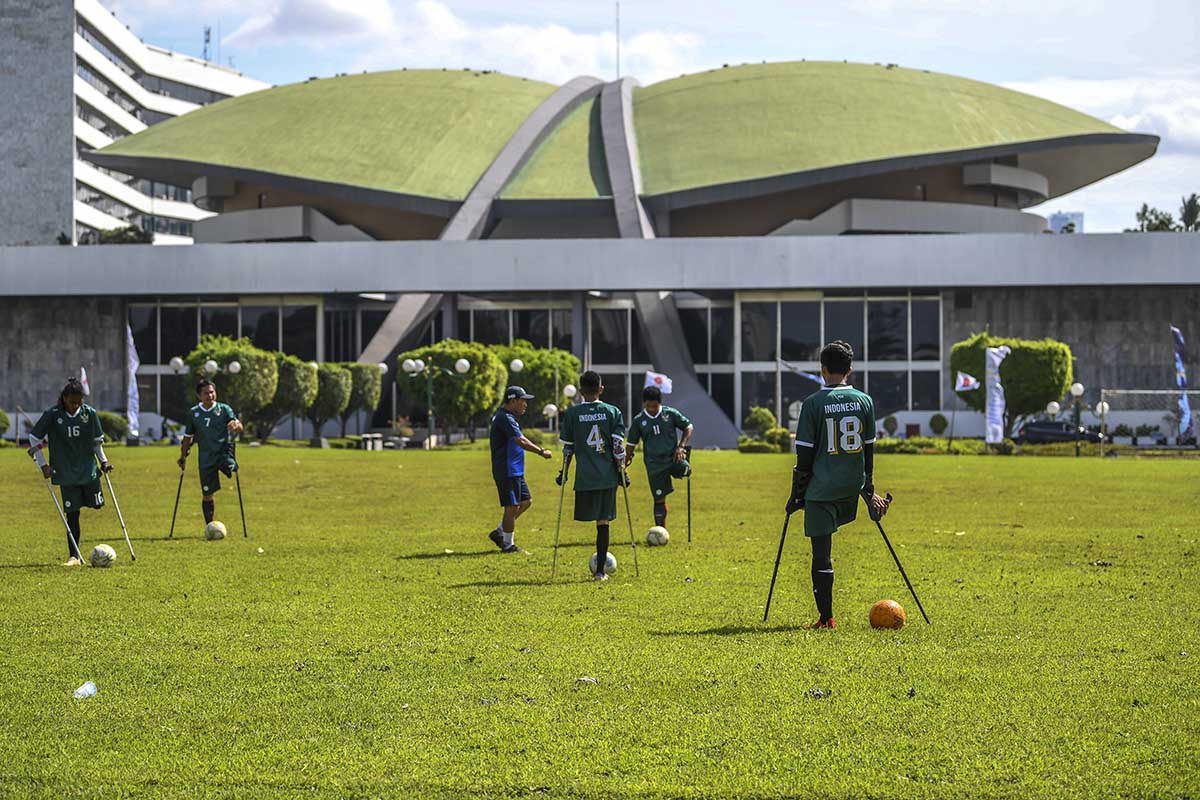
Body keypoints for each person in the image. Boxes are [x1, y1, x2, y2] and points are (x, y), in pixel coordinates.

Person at [786, 340, 890, 629]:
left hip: (822, 490)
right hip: (852, 487)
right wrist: (868, 492)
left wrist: (797, 495)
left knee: (821, 555)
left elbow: (804, 456)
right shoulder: (865, 401)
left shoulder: (813, 404)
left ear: (823, 370)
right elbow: (868, 453)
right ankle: (825, 616)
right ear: (850, 370)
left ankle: (826, 618)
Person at [27, 377, 112, 566]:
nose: (75, 406)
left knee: (97, 505)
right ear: (64, 398)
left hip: (88, 471)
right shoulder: (52, 414)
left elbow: (97, 443)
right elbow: (34, 439)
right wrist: (43, 465)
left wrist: (104, 462)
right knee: (72, 513)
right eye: (72, 402)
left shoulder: (89, 414)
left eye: (79, 402)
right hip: (65, 472)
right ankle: (74, 556)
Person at [557, 371, 627, 582]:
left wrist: (564, 473)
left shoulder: (572, 414)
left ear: (580, 391)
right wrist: (623, 472)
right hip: (607, 477)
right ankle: (600, 572)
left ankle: (599, 569)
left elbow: (568, 449)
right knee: (603, 521)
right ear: (601, 388)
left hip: (585, 477)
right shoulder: (612, 412)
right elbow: (618, 448)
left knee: (596, 519)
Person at [488, 385, 553, 553]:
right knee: (511, 507)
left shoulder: (508, 417)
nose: (525, 405)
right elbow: (521, 441)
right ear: (513, 400)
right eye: (523, 401)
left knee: (526, 502)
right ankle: (508, 545)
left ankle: (500, 531)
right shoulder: (505, 418)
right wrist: (541, 451)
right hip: (507, 469)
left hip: (515, 470)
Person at [178, 379, 243, 532]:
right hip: (205, 458)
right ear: (199, 396)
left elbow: (240, 427)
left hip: (223, 453)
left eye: (212, 392)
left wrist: (236, 426)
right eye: (206, 393)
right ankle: (210, 526)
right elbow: (188, 437)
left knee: (231, 466)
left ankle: (229, 465)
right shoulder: (194, 413)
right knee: (207, 493)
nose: (210, 395)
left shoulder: (224, 409)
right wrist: (183, 456)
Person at [625, 385, 693, 529]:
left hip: (673, 457)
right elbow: (631, 445)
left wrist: (681, 446)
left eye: (654, 406)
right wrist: (623, 465)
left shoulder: (670, 414)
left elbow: (688, 426)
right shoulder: (639, 421)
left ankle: (683, 465)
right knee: (659, 499)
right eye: (648, 406)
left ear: (660, 402)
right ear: (644, 403)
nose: (651, 409)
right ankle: (661, 531)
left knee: (686, 470)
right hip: (654, 464)